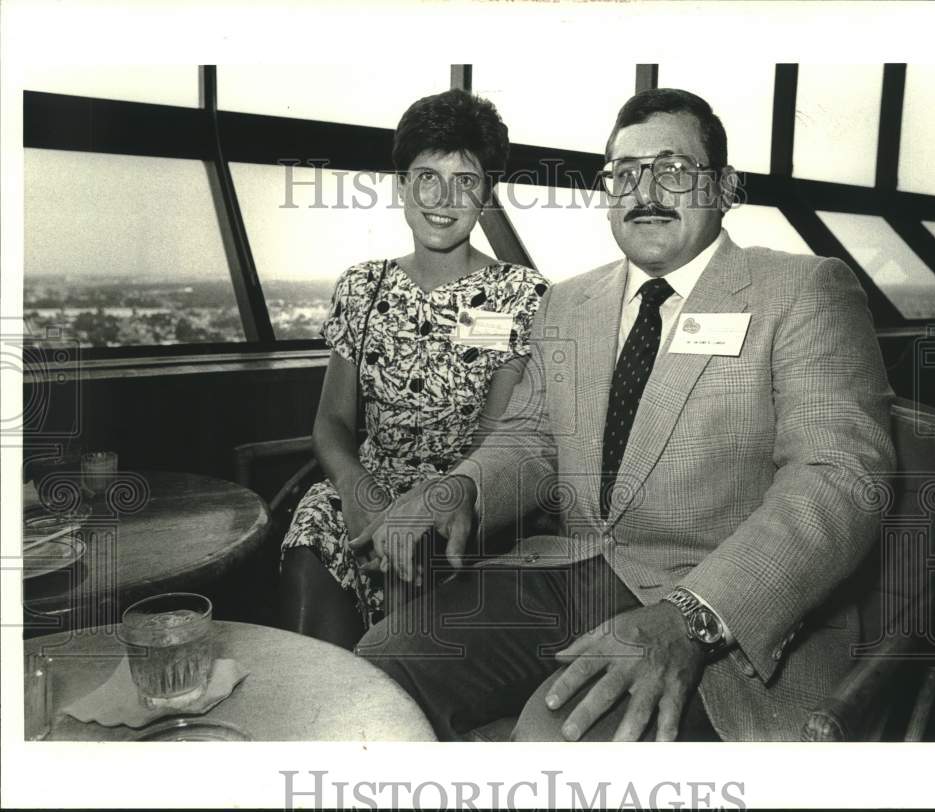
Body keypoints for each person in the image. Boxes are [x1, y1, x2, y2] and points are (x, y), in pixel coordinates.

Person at [352, 87, 897, 742]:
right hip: (572, 570)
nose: (646, 190)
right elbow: (534, 439)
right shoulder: (570, 303)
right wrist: (463, 486)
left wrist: (690, 616)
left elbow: (839, 478)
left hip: (723, 613)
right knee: (372, 678)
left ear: (723, 189)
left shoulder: (804, 290)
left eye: (672, 169)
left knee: (555, 742)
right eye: (626, 173)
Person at [278, 89, 549, 650]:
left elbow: (496, 438)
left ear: (488, 193)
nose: (442, 197)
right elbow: (331, 422)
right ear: (401, 184)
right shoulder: (362, 286)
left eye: (465, 180)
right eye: (427, 175)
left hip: (462, 502)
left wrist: (430, 501)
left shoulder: (520, 295)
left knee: (418, 563)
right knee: (311, 535)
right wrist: (355, 488)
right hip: (364, 486)